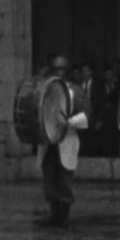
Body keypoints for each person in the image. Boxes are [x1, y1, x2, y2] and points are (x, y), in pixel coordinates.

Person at [34, 55, 89, 229]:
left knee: (65, 180)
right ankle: (54, 214)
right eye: (55, 69)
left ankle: (64, 216)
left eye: (61, 69)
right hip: (49, 142)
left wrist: (69, 121)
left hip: (67, 139)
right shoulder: (46, 88)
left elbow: (86, 114)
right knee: (49, 178)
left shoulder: (75, 90)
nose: (59, 72)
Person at [98, 66, 120, 157]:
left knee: (114, 136)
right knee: (104, 137)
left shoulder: (117, 86)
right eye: (107, 74)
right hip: (104, 116)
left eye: (110, 74)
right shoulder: (100, 87)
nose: (108, 76)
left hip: (114, 115)